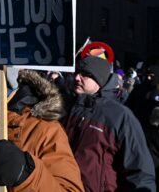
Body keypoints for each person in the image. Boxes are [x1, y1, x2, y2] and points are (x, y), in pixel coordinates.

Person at [64, 56, 156, 191]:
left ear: (99, 79)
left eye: (85, 74)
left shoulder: (120, 116)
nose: (77, 77)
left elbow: (140, 172)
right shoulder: (68, 107)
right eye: (77, 72)